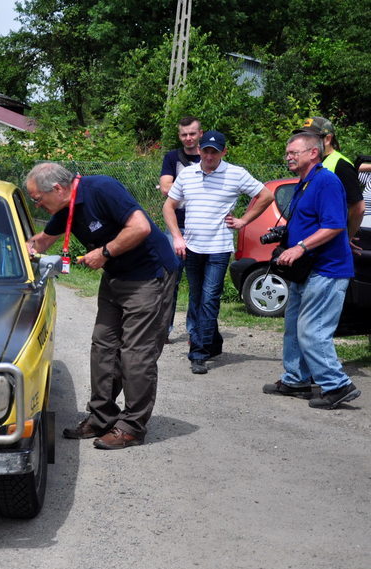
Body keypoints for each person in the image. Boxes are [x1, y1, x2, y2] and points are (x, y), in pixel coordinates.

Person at [25, 162, 179, 450]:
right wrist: (13, 250)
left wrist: (105, 252)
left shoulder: (102, 188)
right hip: (116, 277)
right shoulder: (65, 208)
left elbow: (140, 227)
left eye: (37, 199)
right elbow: (41, 241)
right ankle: (101, 417)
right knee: (103, 346)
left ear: (57, 189)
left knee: (136, 354)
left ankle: (132, 427)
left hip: (148, 275)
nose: (37, 205)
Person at [262, 132, 361, 409]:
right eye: (287, 153)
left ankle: (337, 385)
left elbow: (334, 224)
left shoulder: (326, 181)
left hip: (326, 270)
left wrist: (300, 247)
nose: (288, 157)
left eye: (294, 152)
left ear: (313, 153)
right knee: (294, 326)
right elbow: (310, 221)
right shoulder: (305, 183)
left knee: (312, 330)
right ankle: (296, 379)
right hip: (304, 271)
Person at [162, 130, 274, 375]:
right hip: (192, 247)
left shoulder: (236, 173)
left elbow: (266, 195)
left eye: (214, 151)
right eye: (206, 151)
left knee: (210, 298)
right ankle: (212, 342)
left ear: (224, 152)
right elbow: (168, 206)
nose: (209, 156)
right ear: (199, 150)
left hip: (219, 248)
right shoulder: (187, 174)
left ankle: (199, 353)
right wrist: (177, 237)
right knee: (196, 297)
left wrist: (244, 220)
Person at [293, 117, 365, 250]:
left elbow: (358, 207)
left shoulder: (341, 165)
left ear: (327, 139)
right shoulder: (313, 162)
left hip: (328, 244)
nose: (304, 141)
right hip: (312, 242)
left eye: (310, 137)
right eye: (303, 137)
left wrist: (347, 237)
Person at [158, 116, 202, 335]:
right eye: (184, 134)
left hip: (202, 228)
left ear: (200, 134)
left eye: (192, 133)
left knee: (198, 283)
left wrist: (178, 186)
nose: (188, 138)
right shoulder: (171, 157)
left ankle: (194, 331)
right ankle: (164, 329)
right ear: (179, 136)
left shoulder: (209, 155)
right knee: (169, 279)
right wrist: (199, 185)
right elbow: (165, 188)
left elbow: (170, 187)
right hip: (175, 226)